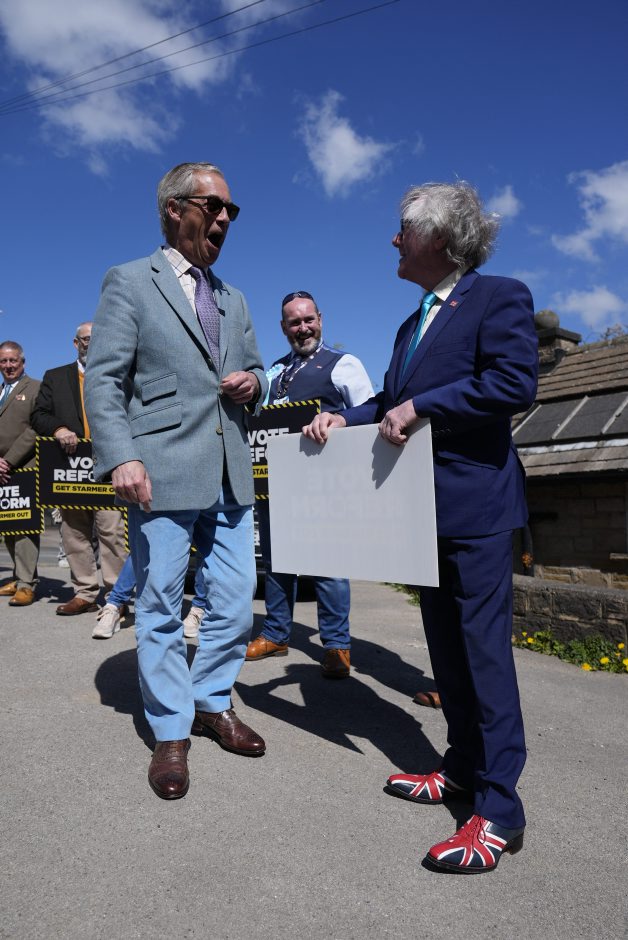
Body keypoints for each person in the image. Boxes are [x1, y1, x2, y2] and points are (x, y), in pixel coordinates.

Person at [304, 182, 538, 873]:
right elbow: (391, 401)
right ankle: (461, 768)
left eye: (402, 229)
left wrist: (424, 407)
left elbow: (514, 383)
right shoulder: (412, 325)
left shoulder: (499, 297)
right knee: (446, 651)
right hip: (419, 514)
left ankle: (500, 809)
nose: (393, 240)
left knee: (484, 657)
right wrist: (345, 416)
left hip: (477, 509)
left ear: (438, 236)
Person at [85, 161, 268, 800]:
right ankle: (171, 728)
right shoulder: (130, 280)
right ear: (174, 209)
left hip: (229, 471)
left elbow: (258, 370)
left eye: (230, 210)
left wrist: (254, 383)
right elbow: (105, 379)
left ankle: (212, 701)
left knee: (235, 596)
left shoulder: (234, 298)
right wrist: (121, 456)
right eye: (214, 206)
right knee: (161, 602)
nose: (224, 218)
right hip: (159, 470)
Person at [246, 290, 373, 678]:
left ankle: (336, 645)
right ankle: (276, 634)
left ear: (320, 319)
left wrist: (339, 423)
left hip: (322, 482)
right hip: (273, 481)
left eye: (308, 320)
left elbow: (369, 413)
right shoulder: (274, 371)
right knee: (277, 561)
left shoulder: (344, 364)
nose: (302, 328)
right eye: (294, 323)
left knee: (328, 561)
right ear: (283, 328)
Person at [32, 324, 127, 615]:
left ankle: (116, 596)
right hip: (70, 468)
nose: (91, 344)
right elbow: (38, 415)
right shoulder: (55, 376)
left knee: (112, 532)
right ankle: (84, 593)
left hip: (108, 464)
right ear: (76, 343)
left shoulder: (119, 374)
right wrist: (58, 428)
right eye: (86, 339)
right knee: (73, 534)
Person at [0, 341, 41, 606]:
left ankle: (27, 584)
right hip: (2, 470)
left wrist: (8, 460)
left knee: (25, 527)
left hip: (24, 467)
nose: (8, 365)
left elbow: (35, 428)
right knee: (9, 526)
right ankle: (18, 576)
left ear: (22, 362)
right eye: (3, 361)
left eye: (12, 360)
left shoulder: (36, 388)